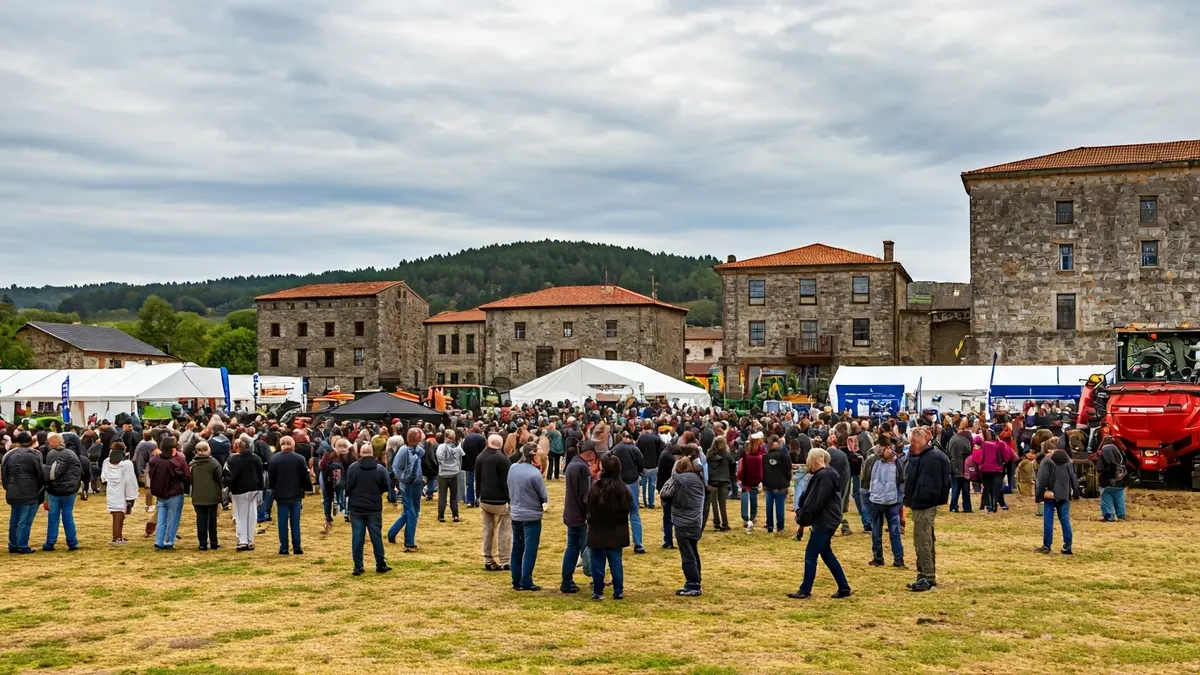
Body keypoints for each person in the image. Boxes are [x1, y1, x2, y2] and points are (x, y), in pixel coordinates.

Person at [788, 448, 853, 600]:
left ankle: (805, 589)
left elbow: (816, 502)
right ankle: (843, 587)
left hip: (825, 521)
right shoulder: (825, 475)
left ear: (815, 461)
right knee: (826, 553)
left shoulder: (824, 476)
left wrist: (803, 516)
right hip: (826, 520)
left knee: (811, 554)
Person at [902, 428, 951, 592]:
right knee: (921, 539)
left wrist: (917, 499)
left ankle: (927, 576)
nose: (912, 446)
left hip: (924, 504)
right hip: (919, 503)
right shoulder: (921, 456)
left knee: (923, 540)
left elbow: (930, 485)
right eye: (911, 442)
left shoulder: (931, 458)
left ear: (924, 441)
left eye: (914, 442)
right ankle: (924, 574)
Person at [587, 455, 631, 600]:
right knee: (616, 561)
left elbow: (589, 508)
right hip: (616, 531)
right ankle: (618, 590)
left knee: (598, 562)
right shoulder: (623, 489)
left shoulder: (596, 487)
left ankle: (597, 591)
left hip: (598, 530)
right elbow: (628, 509)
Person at [345, 438, 392, 575]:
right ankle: (381, 564)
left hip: (357, 507)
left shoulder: (353, 468)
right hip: (374, 507)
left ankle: (358, 566)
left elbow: (348, 487)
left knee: (357, 538)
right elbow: (385, 486)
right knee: (376, 537)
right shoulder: (380, 469)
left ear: (360, 453)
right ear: (372, 454)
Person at [662, 455, 705, 597]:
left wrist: (673, 476)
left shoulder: (678, 479)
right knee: (693, 550)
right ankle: (697, 580)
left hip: (682, 521)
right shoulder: (699, 478)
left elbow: (665, 493)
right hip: (696, 521)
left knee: (687, 554)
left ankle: (692, 584)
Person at [508, 444, 549, 591]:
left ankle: (516, 579)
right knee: (530, 549)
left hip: (516, 513)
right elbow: (543, 496)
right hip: (532, 515)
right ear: (534, 456)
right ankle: (526, 579)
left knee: (517, 547)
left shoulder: (513, 468)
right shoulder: (535, 474)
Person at [269, 435, 313, 555]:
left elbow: (271, 481)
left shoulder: (274, 459)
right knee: (295, 522)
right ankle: (297, 547)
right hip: (296, 494)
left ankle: (284, 548)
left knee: (282, 523)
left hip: (281, 495)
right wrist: (308, 487)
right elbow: (305, 476)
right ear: (293, 445)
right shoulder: (300, 458)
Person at [561, 441, 595, 593]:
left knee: (572, 548)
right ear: (590, 452)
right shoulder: (583, 468)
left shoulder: (572, 464)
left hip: (571, 513)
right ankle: (595, 576)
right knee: (587, 548)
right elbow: (586, 496)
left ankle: (566, 580)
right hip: (581, 516)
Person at [3, 432, 44, 554]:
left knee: (14, 519)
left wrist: (8, 487)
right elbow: (40, 474)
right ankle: (22, 545)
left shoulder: (8, 455)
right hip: (29, 492)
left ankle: (13, 544)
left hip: (12, 491)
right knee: (25, 520)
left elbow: (4, 474)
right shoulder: (35, 455)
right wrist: (39, 488)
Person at [476, 433, 512, 571]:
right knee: (504, 529)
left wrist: (478, 495)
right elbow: (506, 482)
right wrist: (510, 498)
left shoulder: (480, 457)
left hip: (485, 499)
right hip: (501, 500)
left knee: (487, 529)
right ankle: (505, 559)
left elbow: (477, 478)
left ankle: (488, 559)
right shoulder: (503, 459)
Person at [147, 436, 189, 551]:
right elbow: (186, 475)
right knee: (173, 519)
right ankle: (169, 541)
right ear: (173, 448)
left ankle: (159, 541)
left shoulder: (154, 460)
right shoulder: (179, 460)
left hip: (160, 494)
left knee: (161, 519)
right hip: (175, 493)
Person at [868, 438, 905, 568]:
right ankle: (878, 557)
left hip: (891, 500)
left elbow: (901, 482)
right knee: (877, 531)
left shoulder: (897, 464)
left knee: (893, 531)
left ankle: (898, 558)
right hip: (878, 500)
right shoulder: (875, 461)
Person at [42, 433, 82, 551]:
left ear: (52, 443)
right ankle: (72, 542)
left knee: (53, 516)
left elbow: (51, 473)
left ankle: (50, 543)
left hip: (54, 490)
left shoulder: (51, 454)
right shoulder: (71, 453)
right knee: (68, 515)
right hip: (70, 490)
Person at [1036, 444, 1079, 555]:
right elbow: (1073, 477)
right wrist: (1075, 492)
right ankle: (1068, 547)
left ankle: (1047, 546)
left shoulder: (1047, 461)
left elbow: (1042, 479)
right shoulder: (1068, 461)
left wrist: (1039, 495)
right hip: (1064, 495)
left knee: (1048, 520)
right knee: (1065, 520)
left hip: (1050, 494)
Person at [609, 430, 646, 554]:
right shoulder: (634, 449)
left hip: (618, 481)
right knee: (634, 512)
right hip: (632, 481)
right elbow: (641, 463)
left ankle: (616, 541)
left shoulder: (615, 449)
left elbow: (608, 461)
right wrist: (638, 472)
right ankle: (638, 544)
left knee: (617, 513)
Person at [388, 429, 425, 552]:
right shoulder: (404, 450)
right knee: (412, 513)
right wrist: (403, 479)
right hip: (407, 485)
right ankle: (409, 542)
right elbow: (396, 468)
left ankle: (391, 533)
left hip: (417, 483)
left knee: (411, 511)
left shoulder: (418, 449)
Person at [226, 436, 265, 552]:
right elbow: (260, 475)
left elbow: (228, 477)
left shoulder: (232, 460)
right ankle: (250, 540)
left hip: (239, 490)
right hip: (254, 489)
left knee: (240, 515)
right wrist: (261, 489)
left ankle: (243, 540)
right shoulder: (256, 458)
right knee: (252, 514)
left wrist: (228, 490)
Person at [100, 442, 137, 545]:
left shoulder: (106, 462)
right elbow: (130, 481)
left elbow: (103, 478)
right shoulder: (127, 464)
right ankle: (116, 538)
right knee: (119, 516)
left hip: (111, 492)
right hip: (123, 492)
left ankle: (119, 536)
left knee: (118, 515)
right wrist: (131, 496)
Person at [189, 441, 223, 550]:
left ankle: (202, 543)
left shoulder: (192, 465)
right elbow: (220, 479)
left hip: (198, 496)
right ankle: (214, 542)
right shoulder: (214, 463)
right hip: (212, 496)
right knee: (212, 520)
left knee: (201, 520)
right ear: (208, 449)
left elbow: (189, 480)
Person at [762, 437, 793, 535]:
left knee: (769, 507)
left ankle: (770, 526)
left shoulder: (765, 457)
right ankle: (780, 528)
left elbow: (763, 472)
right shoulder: (784, 456)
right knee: (780, 508)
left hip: (769, 485)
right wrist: (786, 482)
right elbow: (788, 470)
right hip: (781, 485)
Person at [737, 432, 765, 533]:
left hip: (746, 480)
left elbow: (742, 468)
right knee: (753, 499)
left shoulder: (746, 455)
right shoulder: (761, 456)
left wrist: (740, 477)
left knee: (745, 499)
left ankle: (746, 518)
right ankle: (752, 517)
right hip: (756, 480)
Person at [435, 429, 465, 523]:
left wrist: (443, 464)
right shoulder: (458, 447)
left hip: (443, 474)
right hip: (454, 473)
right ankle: (455, 515)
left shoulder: (441, 447)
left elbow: (439, 457)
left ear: (445, 437)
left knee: (442, 496)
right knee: (453, 496)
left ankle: (441, 516)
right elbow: (461, 456)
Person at [705, 437, 734, 532]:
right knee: (723, 504)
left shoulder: (709, 454)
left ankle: (716, 522)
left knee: (714, 503)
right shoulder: (727, 455)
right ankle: (725, 523)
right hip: (724, 480)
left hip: (712, 481)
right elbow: (733, 465)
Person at [319, 441, 347, 535]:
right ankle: (342, 510)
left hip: (327, 482)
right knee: (339, 496)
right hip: (338, 482)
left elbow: (322, 467)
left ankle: (328, 517)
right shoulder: (341, 459)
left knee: (327, 500)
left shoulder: (326, 459)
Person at [1095, 442, 1127, 522]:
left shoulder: (1103, 460)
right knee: (1119, 501)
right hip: (1119, 485)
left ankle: (1109, 516)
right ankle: (1121, 516)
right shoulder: (1120, 461)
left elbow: (1099, 469)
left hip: (1106, 485)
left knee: (1106, 501)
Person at [636, 420, 664, 508]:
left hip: (643, 466)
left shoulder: (641, 438)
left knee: (643, 485)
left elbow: (637, 452)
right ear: (652, 427)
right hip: (654, 465)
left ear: (643, 427)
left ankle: (644, 502)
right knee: (652, 485)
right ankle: (651, 503)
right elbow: (661, 451)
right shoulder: (656, 438)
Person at [946, 426, 973, 513]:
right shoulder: (965, 441)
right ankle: (967, 507)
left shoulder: (952, 439)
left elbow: (947, 450)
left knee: (955, 488)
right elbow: (969, 451)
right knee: (965, 488)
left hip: (954, 466)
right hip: (963, 467)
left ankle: (953, 506)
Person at [460, 423, 485, 507]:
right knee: (479, 482)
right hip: (479, 463)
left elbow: (463, 451)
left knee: (469, 483)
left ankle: (470, 501)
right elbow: (483, 452)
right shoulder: (482, 438)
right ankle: (479, 499)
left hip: (468, 463)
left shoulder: (466, 438)